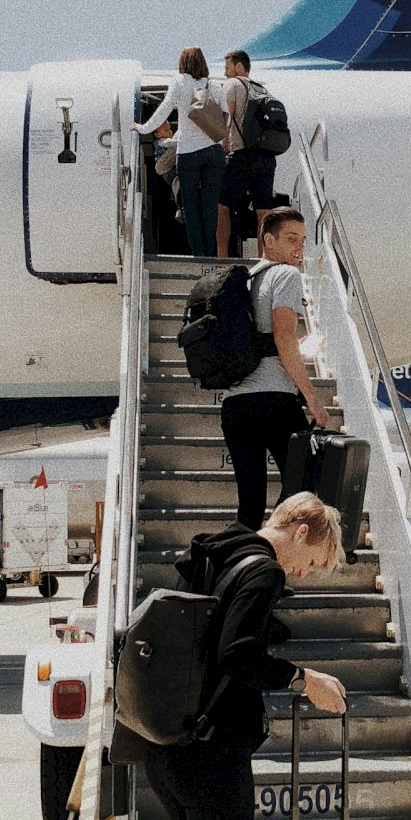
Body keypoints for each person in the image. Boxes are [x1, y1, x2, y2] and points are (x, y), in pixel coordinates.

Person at [145, 492, 348, 820]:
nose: (303, 573)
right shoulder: (264, 571)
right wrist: (304, 679)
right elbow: (236, 655)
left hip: (167, 749)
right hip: (212, 758)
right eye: (312, 562)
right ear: (300, 532)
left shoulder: (221, 552)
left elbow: (208, 633)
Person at [221, 207, 330, 531]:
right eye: (291, 239)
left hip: (235, 405)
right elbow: (284, 337)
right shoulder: (286, 276)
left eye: (303, 240)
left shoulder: (247, 281)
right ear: (268, 240)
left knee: (250, 502)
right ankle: (272, 551)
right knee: (303, 484)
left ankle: (239, 565)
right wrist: (311, 396)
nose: (300, 248)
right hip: (274, 401)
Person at [133, 47, 226, 257]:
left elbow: (164, 109)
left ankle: (199, 255)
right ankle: (211, 254)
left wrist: (143, 128)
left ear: (183, 62)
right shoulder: (212, 84)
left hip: (189, 153)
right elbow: (226, 112)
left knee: (190, 207)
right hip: (214, 152)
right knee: (210, 206)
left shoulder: (179, 81)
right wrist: (220, 135)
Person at [217, 50, 276, 257]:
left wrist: (223, 141)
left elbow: (227, 116)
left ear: (239, 67)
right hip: (266, 158)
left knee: (222, 206)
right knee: (264, 212)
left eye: (227, 68)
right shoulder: (262, 89)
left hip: (241, 155)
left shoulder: (232, 85)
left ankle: (221, 256)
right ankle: (264, 258)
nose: (225, 73)